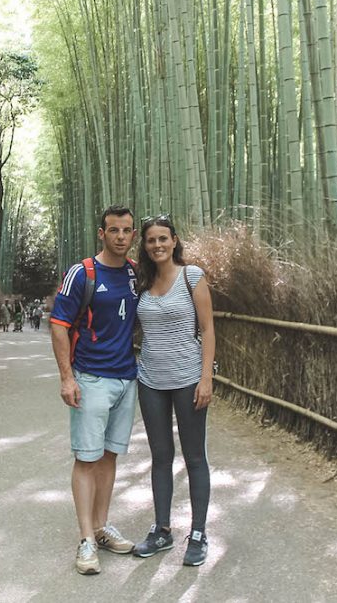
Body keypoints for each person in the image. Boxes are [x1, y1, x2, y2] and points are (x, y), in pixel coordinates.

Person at [49, 205, 140, 575]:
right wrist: (67, 378)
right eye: (114, 230)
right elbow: (58, 324)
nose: (120, 236)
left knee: (109, 456)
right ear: (101, 233)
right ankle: (86, 538)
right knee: (87, 458)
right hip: (91, 378)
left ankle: (101, 527)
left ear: (133, 235)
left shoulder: (136, 273)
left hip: (126, 378)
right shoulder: (82, 273)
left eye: (127, 230)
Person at [131, 213, 215, 567]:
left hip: (188, 378)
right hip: (151, 379)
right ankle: (162, 529)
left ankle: (198, 533)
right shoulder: (141, 283)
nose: (157, 245)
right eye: (151, 240)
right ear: (145, 245)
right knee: (161, 456)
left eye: (163, 238)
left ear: (174, 241)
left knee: (194, 457)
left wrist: (206, 378)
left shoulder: (192, 276)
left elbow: (208, 330)